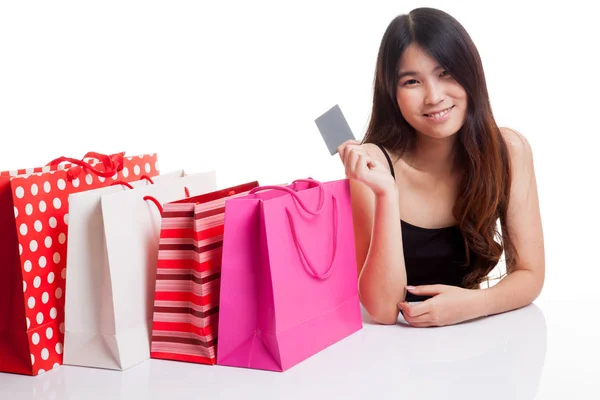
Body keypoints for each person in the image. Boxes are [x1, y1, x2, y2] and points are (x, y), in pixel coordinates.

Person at [337, 7, 545, 327]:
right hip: (393, 357)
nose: (433, 97)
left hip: (481, 344)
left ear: (470, 72)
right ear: (392, 94)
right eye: (412, 81)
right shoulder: (373, 166)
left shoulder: (509, 151)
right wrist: (386, 194)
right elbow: (381, 310)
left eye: (445, 72)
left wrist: (475, 304)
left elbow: (530, 274)